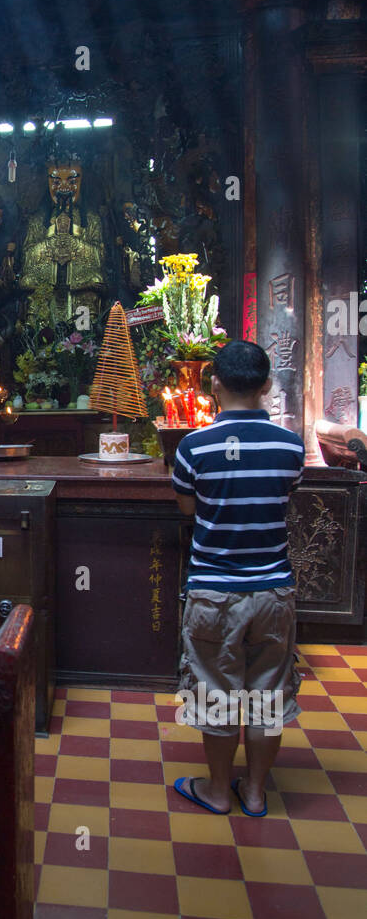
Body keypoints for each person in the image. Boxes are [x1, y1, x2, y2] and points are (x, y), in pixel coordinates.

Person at [170, 341, 305, 817]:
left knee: (216, 693)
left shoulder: (193, 446)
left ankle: (217, 791)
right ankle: (254, 791)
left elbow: (189, 508)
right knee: (268, 692)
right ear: (266, 386)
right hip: (272, 591)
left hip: (213, 592)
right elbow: (285, 495)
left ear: (214, 386)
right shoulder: (290, 446)